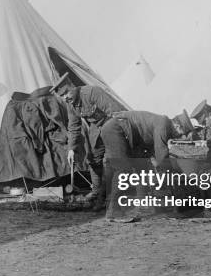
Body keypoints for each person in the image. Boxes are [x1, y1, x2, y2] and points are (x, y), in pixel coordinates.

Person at [50, 73, 126, 208]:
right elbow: (74, 126)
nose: (66, 97)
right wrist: (71, 149)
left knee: (111, 161)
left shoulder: (92, 92)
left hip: (112, 124)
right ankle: (96, 192)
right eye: (62, 96)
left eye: (67, 92)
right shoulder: (71, 104)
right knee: (92, 159)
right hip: (96, 128)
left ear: (73, 87)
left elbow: (115, 112)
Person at [101, 110, 192, 221]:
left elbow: (151, 149)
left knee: (143, 168)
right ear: (177, 125)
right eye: (182, 132)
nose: (181, 136)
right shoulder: (163, 125)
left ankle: (143, 205)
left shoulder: (161, 124)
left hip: (127, 134)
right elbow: (161, 154)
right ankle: (113, 211)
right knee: (124, 170)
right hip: (116, 130)